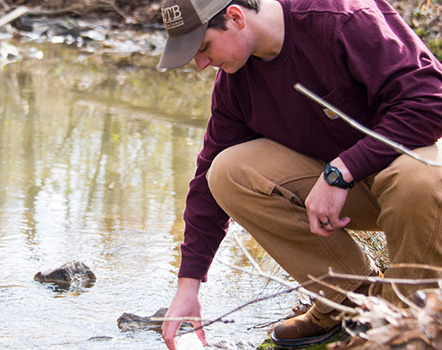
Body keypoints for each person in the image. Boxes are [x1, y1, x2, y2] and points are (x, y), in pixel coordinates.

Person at [157, 0, 442, 348]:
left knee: (419, 179)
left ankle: (409, 319)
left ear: (235, 17)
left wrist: (343, 170)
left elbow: (430, 102)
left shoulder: (342, 18)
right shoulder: (235, 82)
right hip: (350, 193)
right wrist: (189, 284)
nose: (201, 65)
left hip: (409, 174)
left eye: (204, 47)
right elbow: (205, 181)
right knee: (226, 173)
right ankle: (348, 300)